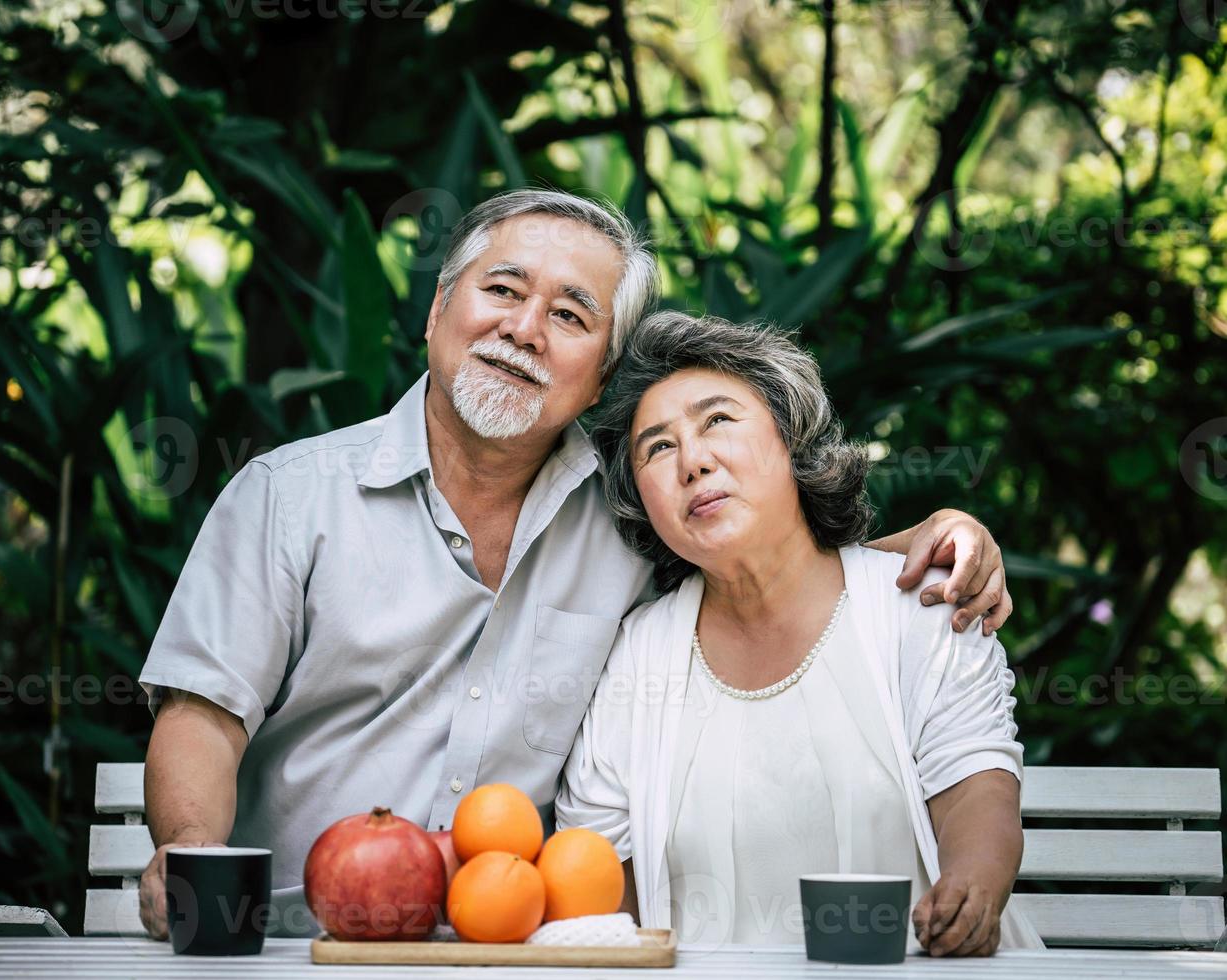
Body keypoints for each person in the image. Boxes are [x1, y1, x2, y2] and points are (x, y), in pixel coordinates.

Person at [135, 189, 1016, 939]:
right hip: (300, 938)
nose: (523, 329)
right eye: (502, 291)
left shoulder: (631, 515)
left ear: (599, 378)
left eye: (569, 315)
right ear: (440, 312)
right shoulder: (287, 499)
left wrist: (925, 544)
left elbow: (762, 554)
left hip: (515, 945)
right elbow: (205, 711)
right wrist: (189, 848)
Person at [557, 311, 1041, 955]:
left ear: (791, 440)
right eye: (658, 447)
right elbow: (601, 876)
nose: (693, 461)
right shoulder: (633, 658)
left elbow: (977, 783)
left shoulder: (920, 607)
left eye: (718, 420)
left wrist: (973, 887)